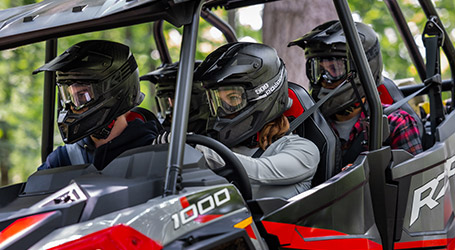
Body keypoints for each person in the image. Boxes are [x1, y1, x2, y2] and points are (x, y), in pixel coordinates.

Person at [194, 42, 320, 199]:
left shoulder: (304, 151)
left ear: (262, 95)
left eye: (233, 98)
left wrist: (196, 149)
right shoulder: (222, 148)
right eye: (217, 101)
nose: (221, 110)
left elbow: (258, 170)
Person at [288, 20, 423, 167]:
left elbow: (415, 181)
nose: (324, 80)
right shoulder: (309, 126)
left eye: (334, 69)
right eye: (318, 71)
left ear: (362, 70)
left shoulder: (395, 124)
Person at [34, 40, 159, 170]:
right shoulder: (64, 159)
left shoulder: (154, 152)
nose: (72, 106)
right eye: (69, 96)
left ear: (115, 93)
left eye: (82, 95)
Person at [140, 61, 209, 134]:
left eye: (174, 99)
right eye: (165, 101)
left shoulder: (212, 134)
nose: (170, 108)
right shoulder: (163, 132)